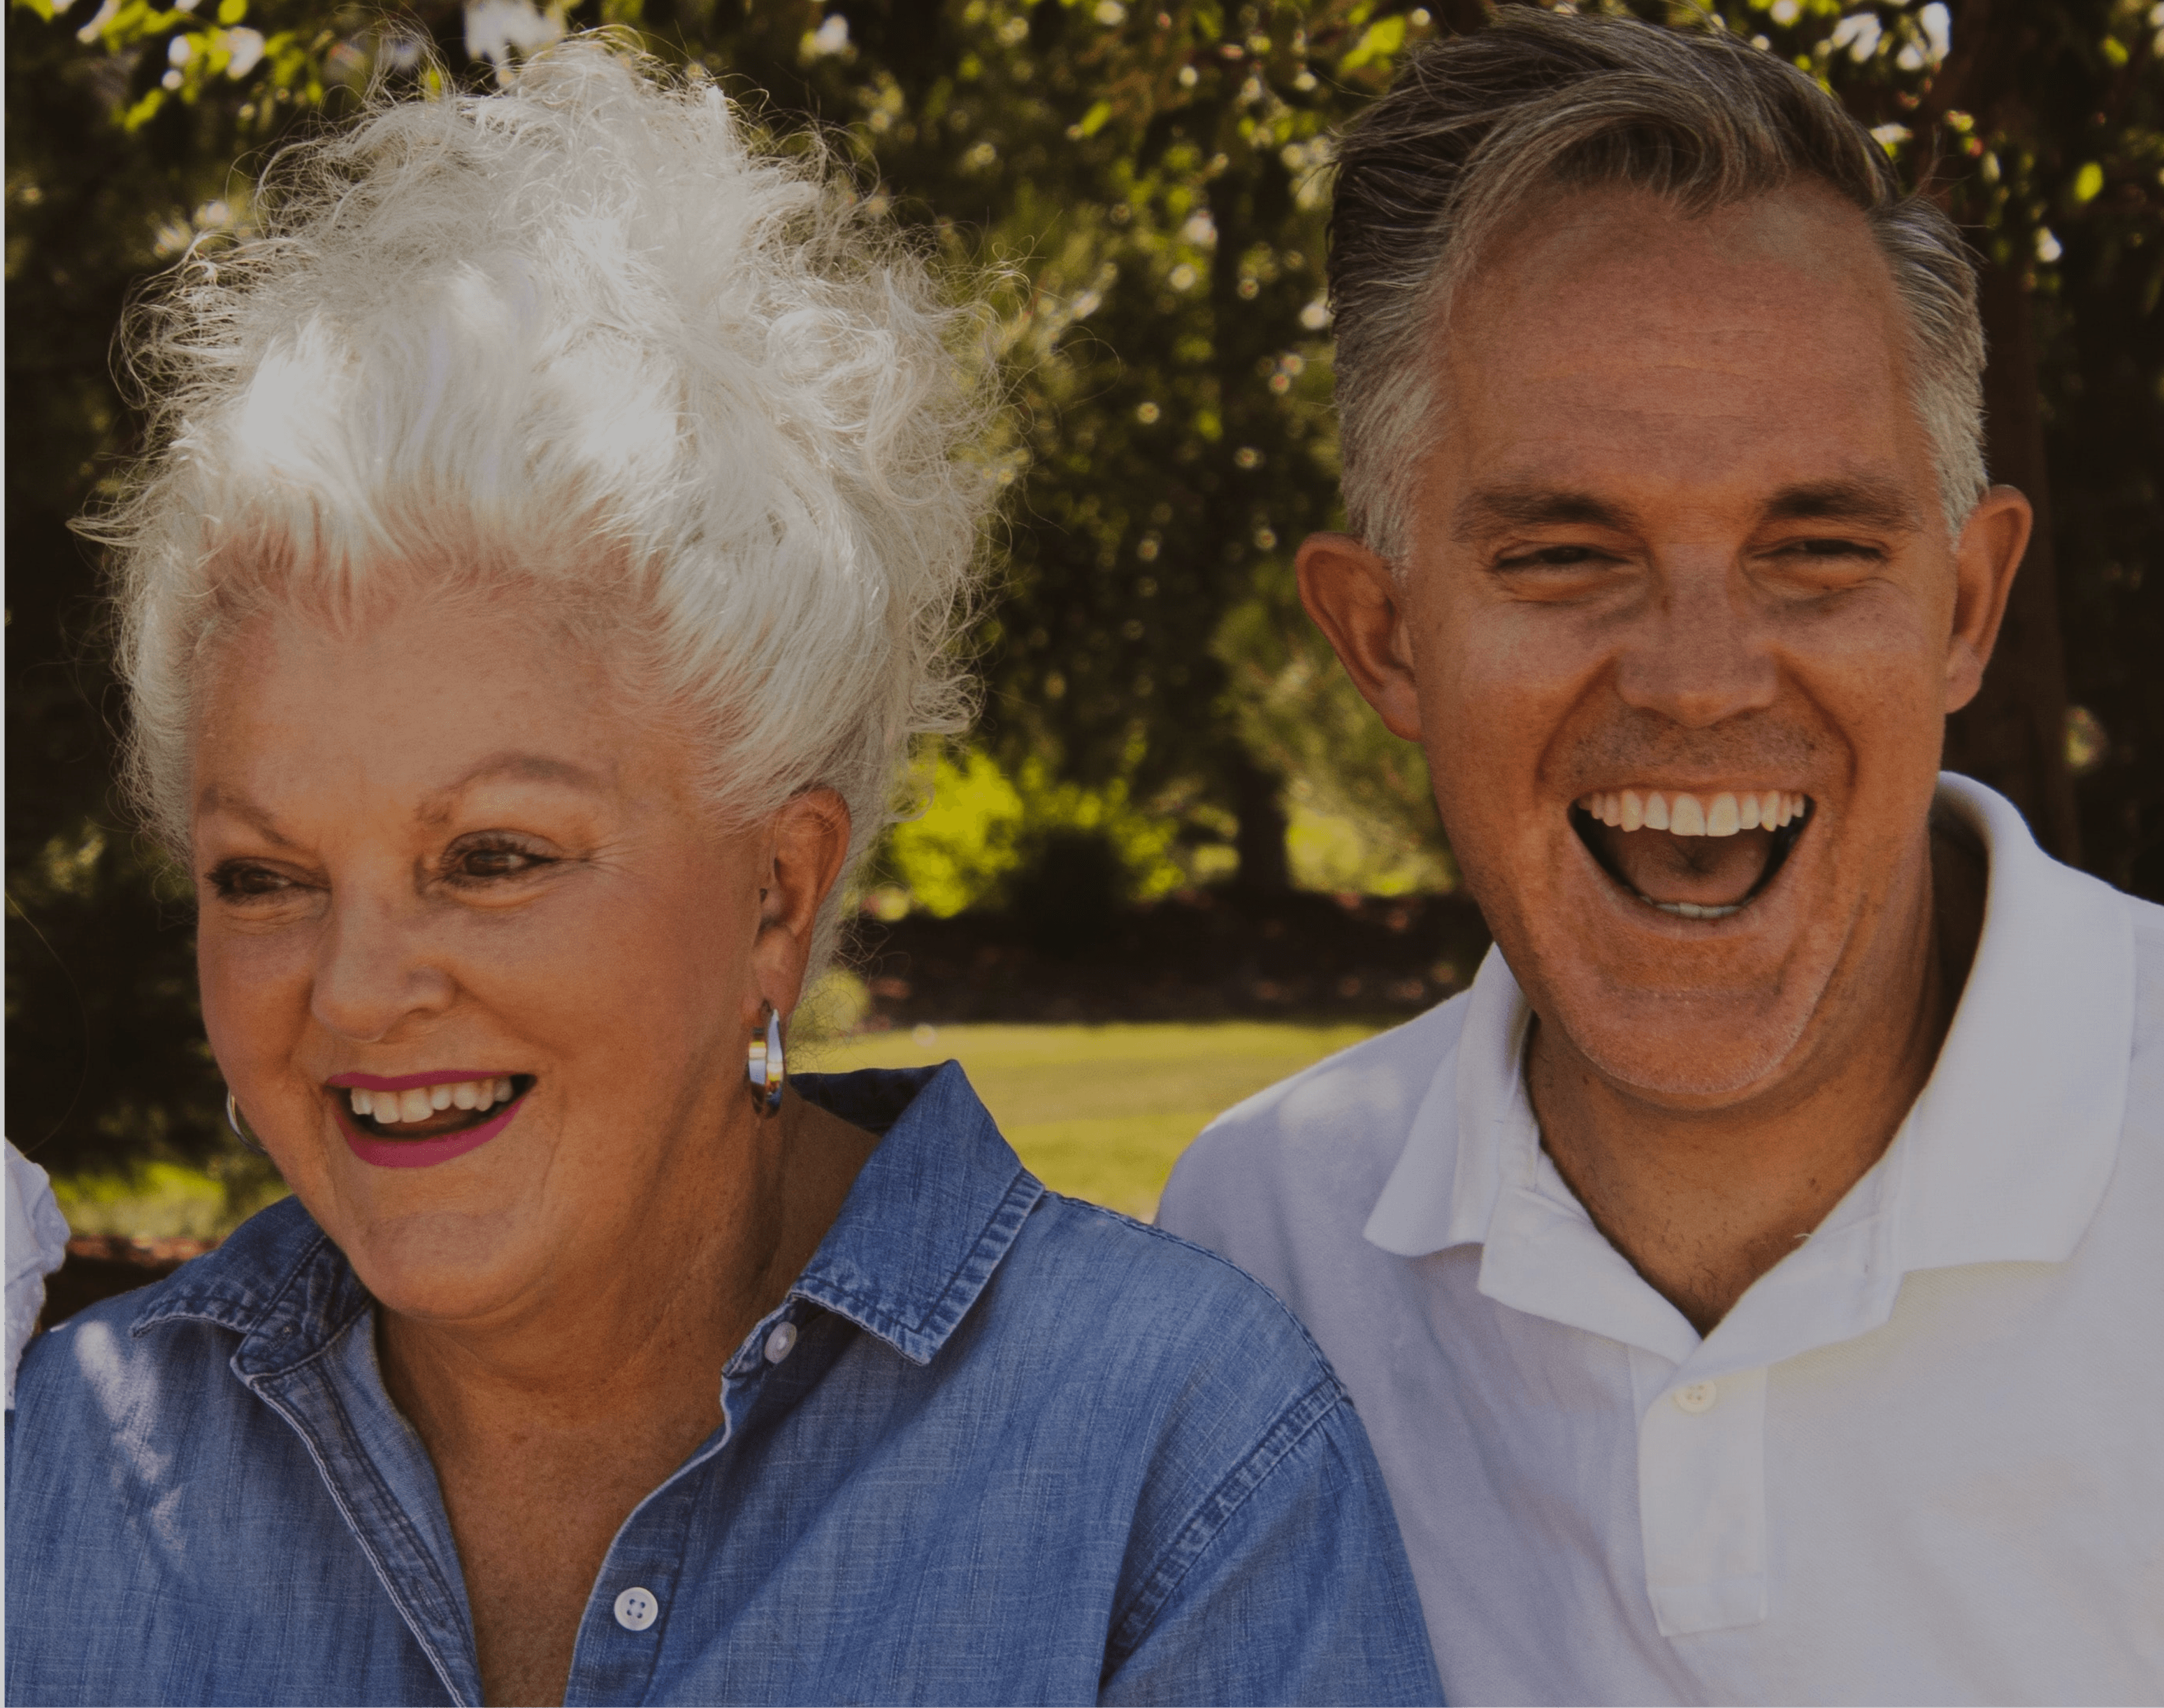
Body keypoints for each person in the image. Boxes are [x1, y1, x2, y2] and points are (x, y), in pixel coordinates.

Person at [1157, 11, 2164, 1705]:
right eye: (1564, 553)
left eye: (1816, 550)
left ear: (1965, 607)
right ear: (1383, 642)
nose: (1702, 675)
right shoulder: (1268, 1237)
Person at [1, 43, 1442, 1708]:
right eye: (263, 878)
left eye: (492, 858)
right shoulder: (76, 1463)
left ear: (779, 892)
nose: (354, 986)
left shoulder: (1171, 1466)